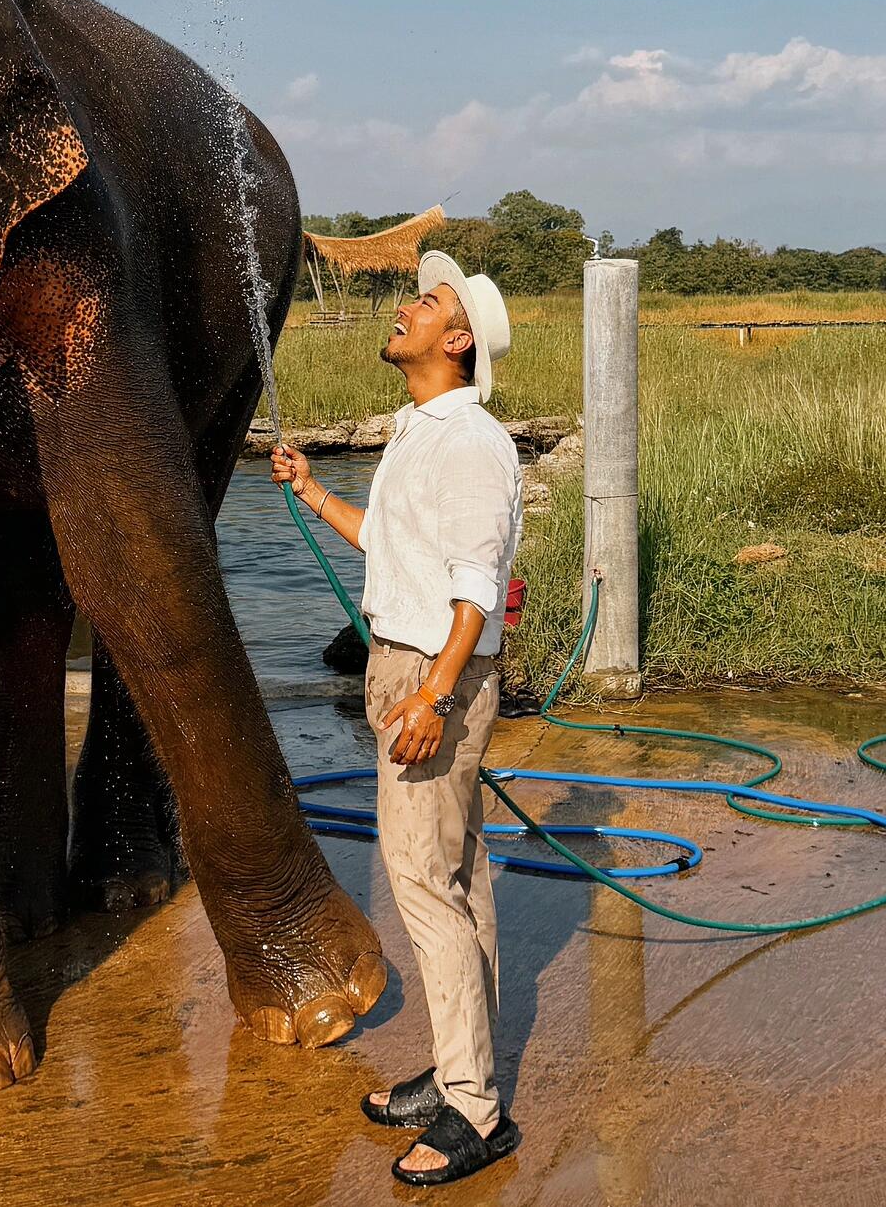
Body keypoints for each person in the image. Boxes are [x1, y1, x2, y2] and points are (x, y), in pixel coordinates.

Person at [271, 252, 522, 1187]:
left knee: (421, 884)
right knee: (457, 876)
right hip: (405, 664)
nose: (405, 308)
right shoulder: (418, 430)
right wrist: (311, 491)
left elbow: (475, 585)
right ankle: (463, 1073)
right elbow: (396, 548)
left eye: (426, 302)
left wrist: (437, 695)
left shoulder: (470, 442)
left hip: (431, 677)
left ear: (456, 342)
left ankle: (474, 1109)